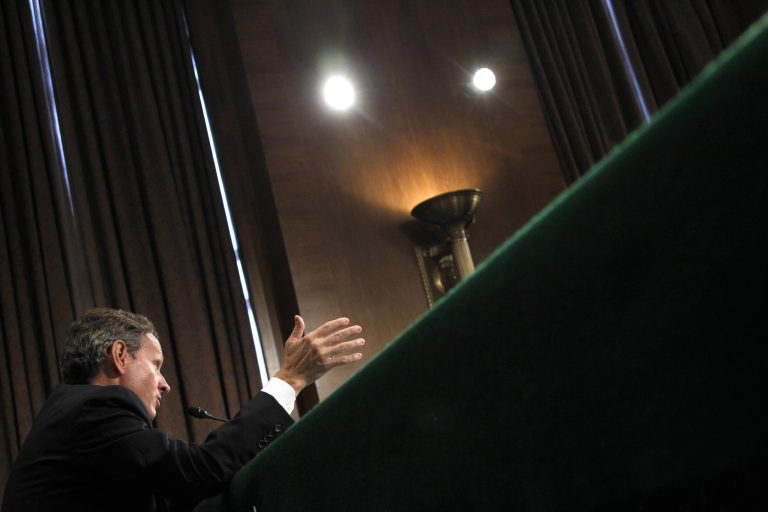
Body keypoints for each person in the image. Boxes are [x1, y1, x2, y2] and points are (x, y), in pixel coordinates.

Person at [1, 308, 364, 512]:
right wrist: (291, 379)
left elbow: (178, 492)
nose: (165, 384)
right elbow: (198, 471)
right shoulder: (97, 407)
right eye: (156, 364)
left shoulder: (78, 417)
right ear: (119, 356)